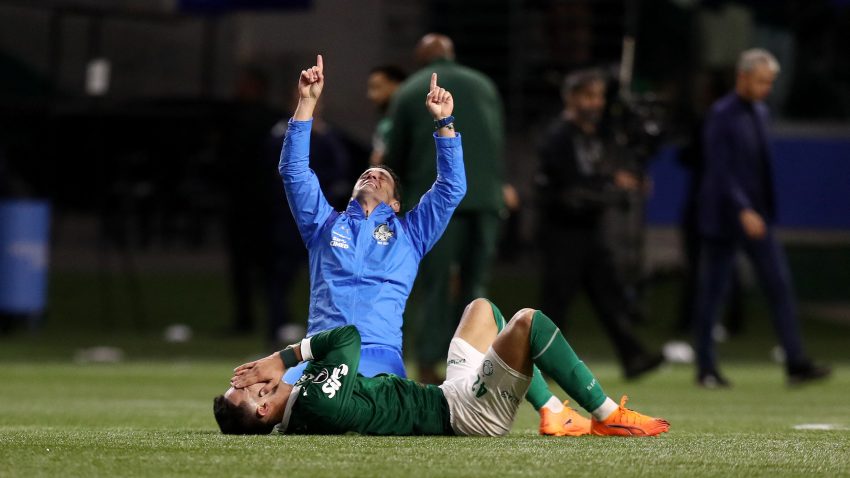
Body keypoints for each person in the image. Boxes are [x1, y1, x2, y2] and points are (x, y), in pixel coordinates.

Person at [214, 298, 671, 438]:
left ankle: (553, 411)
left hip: (448, 395)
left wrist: (288, 365)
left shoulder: (301, 402)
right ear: (259, 410)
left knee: (482, 309)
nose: (260, 383)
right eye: (254, 391)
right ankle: (608, 414)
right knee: (530, 322)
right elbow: (347, 338)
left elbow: (337, 344)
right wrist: (283, 358)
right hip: (466, 415)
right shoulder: (315, 402)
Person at [277, 55, 465, 383]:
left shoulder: (411, 234)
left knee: (354, 408)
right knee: (247, 406)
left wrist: (444, 123)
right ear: (352, 190)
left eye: (383, 176)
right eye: (367, 173)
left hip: (380, 358)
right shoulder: (323, 225)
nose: (372, 176)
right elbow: (294, 171)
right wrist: (306, 103)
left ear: (395, 204)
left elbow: (450, 188)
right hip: (321, 353)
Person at [694, 49, 831, 388]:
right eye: (761, 81)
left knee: (779, 287)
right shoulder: (722, 114)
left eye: (770, 82)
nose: (767, 88)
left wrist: (760, 210)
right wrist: (743, 208)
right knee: (712, 294)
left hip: (758, 218)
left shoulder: (759, 110)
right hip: (727, 219)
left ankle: (796, 362)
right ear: (742, 77)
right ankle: (706, 368)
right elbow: (720, 170)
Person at [381, 33, 505, 386]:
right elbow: (497, 142)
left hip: (434, 205)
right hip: (485, 199)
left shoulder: (409, 90)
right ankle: (476, 366)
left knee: (435, 286)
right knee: (476, 288)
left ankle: (428, 363)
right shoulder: (485, 85)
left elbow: (395, 157)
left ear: (421, 59)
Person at [536, 68, 664, 379]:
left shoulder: (594, 136)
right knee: (557, 304)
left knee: (609, 297)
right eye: (589, 96)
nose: (596, 103)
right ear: (571, 98)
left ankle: (633, 356)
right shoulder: (559, 137)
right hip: (563, 231)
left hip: (589, 229)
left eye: (600, 97)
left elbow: (601, 174)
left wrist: (621, 182)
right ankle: (541, 365)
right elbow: (569, 187)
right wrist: (610, 183)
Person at [366, 65, 407, 166]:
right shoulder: (384, 122)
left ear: (396, 85)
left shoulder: (406, 123)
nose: (370, 95)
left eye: (376, 87)